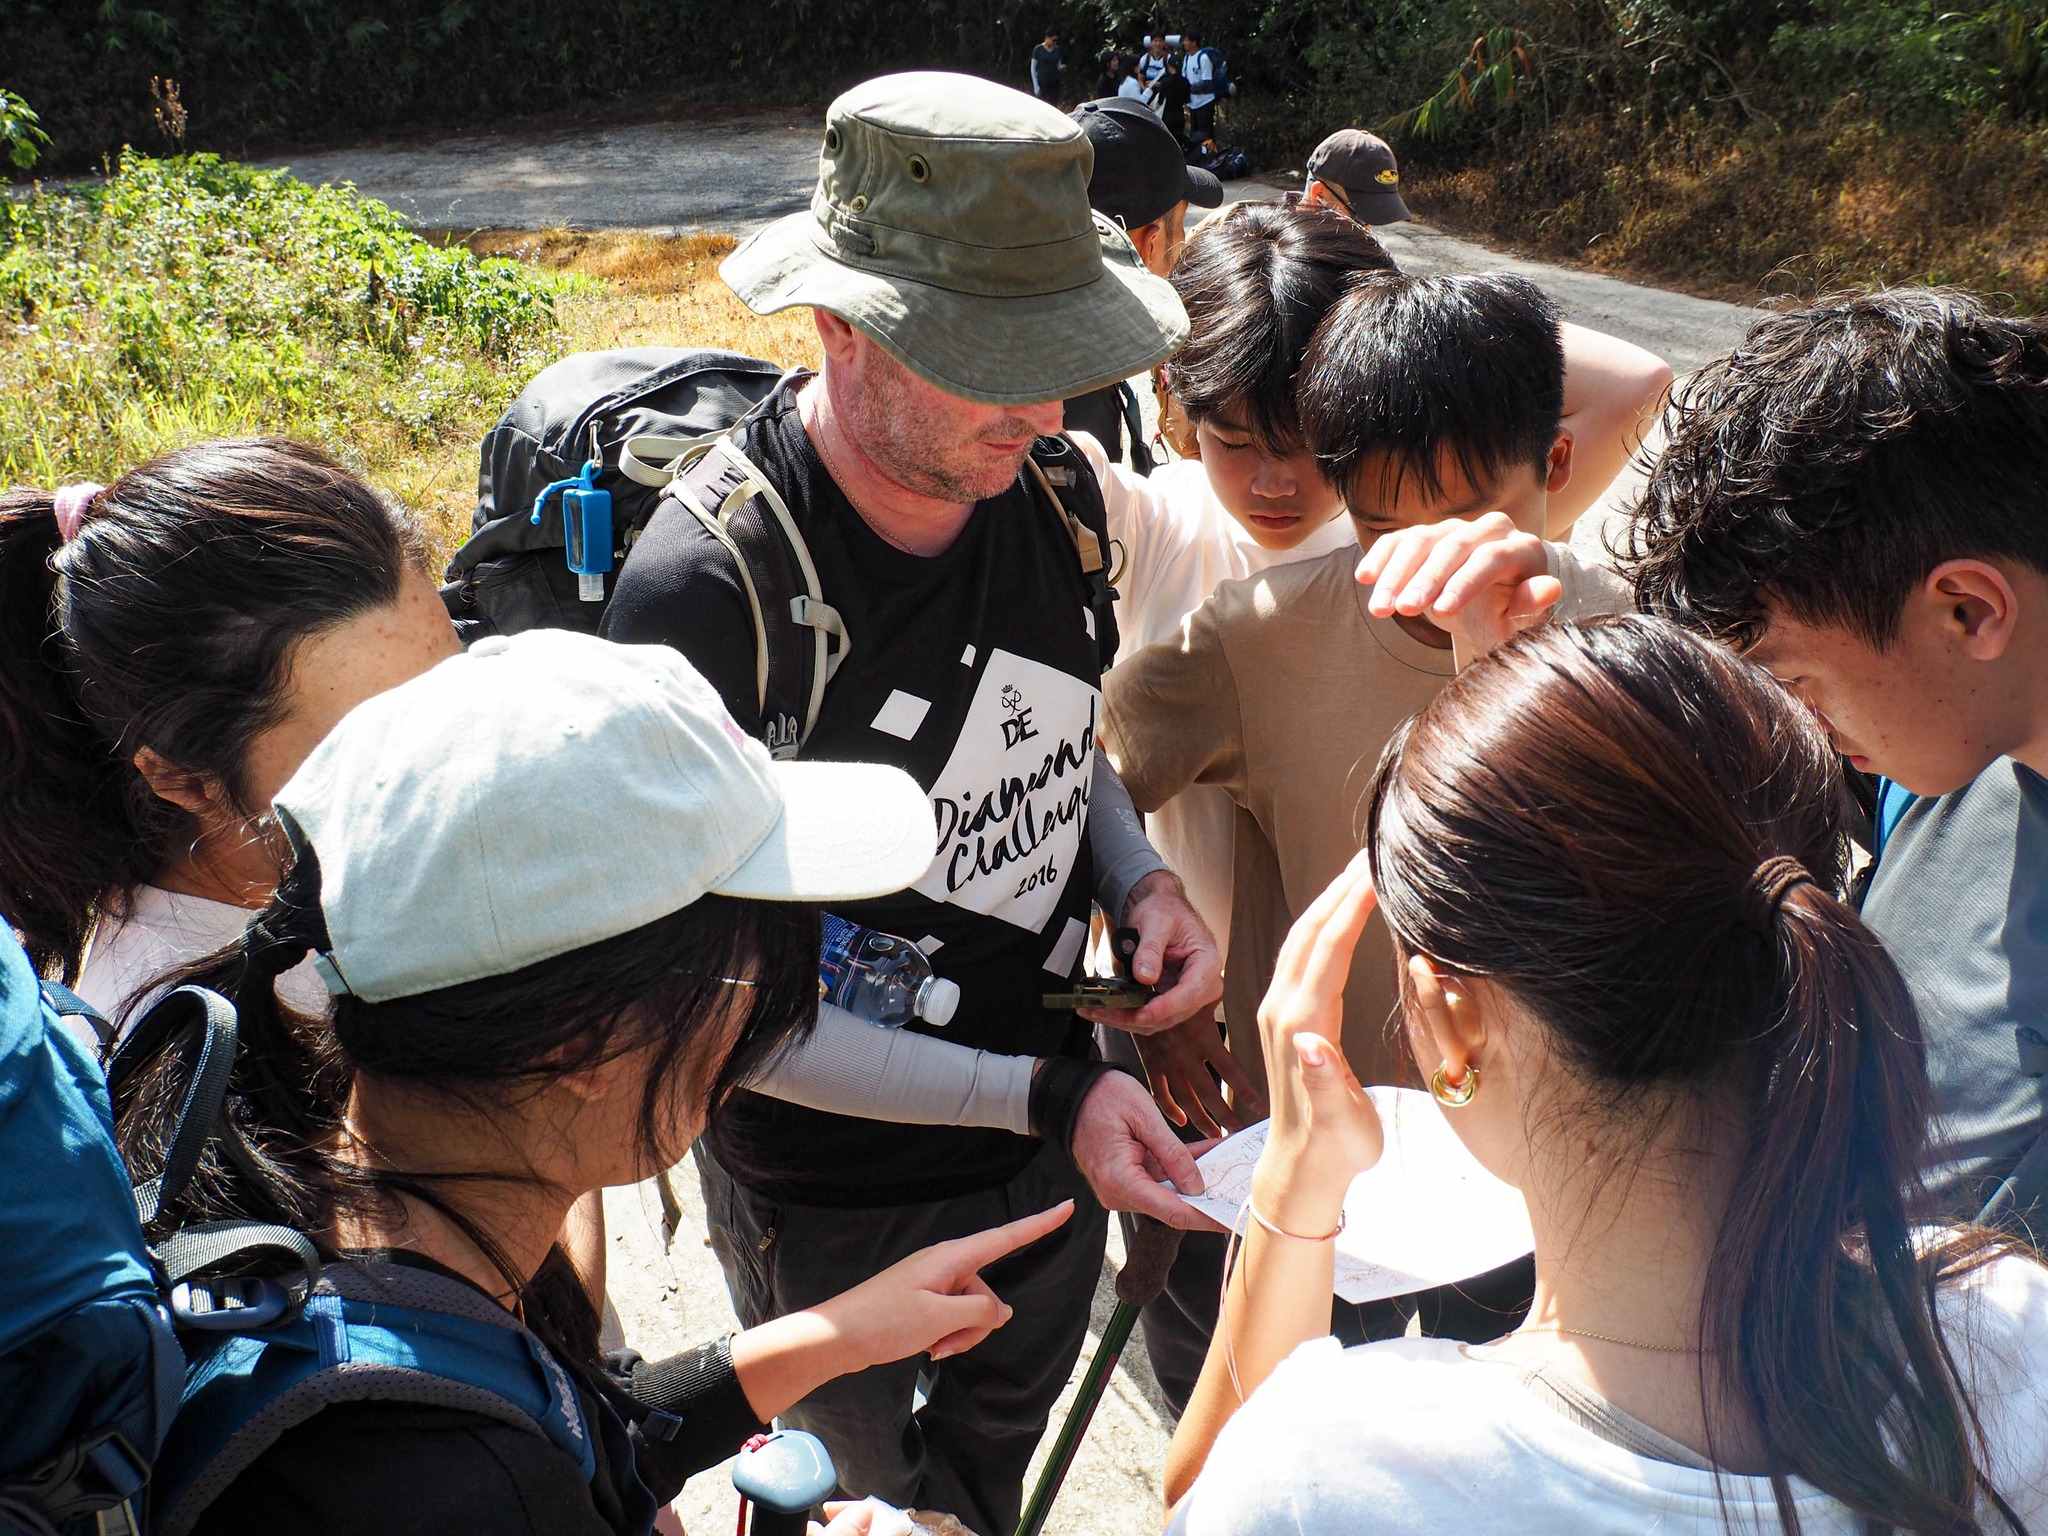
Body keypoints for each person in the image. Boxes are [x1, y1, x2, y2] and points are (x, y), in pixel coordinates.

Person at [600, 73, 1222, 1535]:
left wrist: (1139, 881)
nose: (1044, 403)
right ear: (837, 325)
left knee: (988, 1484)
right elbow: (733, 1023)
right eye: (988, 358)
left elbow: (1058, 741)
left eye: (1060, 354)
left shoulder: (1056, 493)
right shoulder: (712, 598)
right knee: (858, 1506)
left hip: (1050, 1138)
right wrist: (1057, 1096)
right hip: (829, 1189)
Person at [108, 629, 1072, 1535]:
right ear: (585, 1045)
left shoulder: (303, 1180)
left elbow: (551, 1411)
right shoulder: (443, 1491)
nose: (764, 1022)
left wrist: (834, 1333)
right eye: (755, 980)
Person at [1163, 615, 2048, 1535]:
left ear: (1455, 1023)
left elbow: (1204, 1504)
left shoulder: (1336, 1476)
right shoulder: (2006, 1341)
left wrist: (1292, 1193)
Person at [1100, 270, 1632, 1411]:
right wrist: (1139, 936)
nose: (1422, 568)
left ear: (1552, 470)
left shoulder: (1626, 638)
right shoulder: (1259, 634)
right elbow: (1076, 772)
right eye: (1384, 525)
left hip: (1548, 1186)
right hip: (1320, 1187)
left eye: (1458, 521)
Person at [0, 440, 642, 1348]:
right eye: (374, 748)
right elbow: (458, 1327)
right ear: (181, 778)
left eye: (455, 694)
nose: (464, 772)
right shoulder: (189, 1069)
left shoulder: (358, 877)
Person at [1623, 288, 2048, 1219]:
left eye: (1798, 682)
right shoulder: (1939, 768)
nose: (1800, 726)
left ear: (1966, 611)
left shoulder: (1941, 745)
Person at [1062, 96, 1223, 472]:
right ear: (1148, 243)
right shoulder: (1076, 406)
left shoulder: (1047, 334)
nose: (1184, 241)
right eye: (1180, 223)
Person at [1298, 128, 1413, 228]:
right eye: (1359, 220)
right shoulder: (1283, 250)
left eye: (1370, 221)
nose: (1367, 231)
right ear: (1319, 195)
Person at [1181, 30, 1220, 145]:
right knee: (1194, 135)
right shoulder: (1187, 58)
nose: (1184, 43)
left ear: (1194, 43)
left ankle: (1210, 158)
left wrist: (1190, 88)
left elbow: (1207, 82)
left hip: (1205, 102)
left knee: (1206, 135)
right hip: (1193, 103)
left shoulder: (1203, 58)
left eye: (1187, 40)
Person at [1149, 53, 1191, 144]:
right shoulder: (1186, 82)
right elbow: (1187, 100)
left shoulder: (1166, 82)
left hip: (1167, 117)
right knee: (1178, 142)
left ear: (1169, 66)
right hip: (1180, 116)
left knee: (1166, 142)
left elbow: (1160, 101)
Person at [1029, 29, 1063, 102]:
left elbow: (1058, 65)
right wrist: (1036, 86)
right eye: (1053, 40)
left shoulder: (1058, 49)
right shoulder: (1038, 49)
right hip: (1042, 82)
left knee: (1053, 104)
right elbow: (1033, 68)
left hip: (1054, 83)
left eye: (1056, 40)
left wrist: (1062, 67)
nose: (1054, 42)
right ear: (1047, 38)